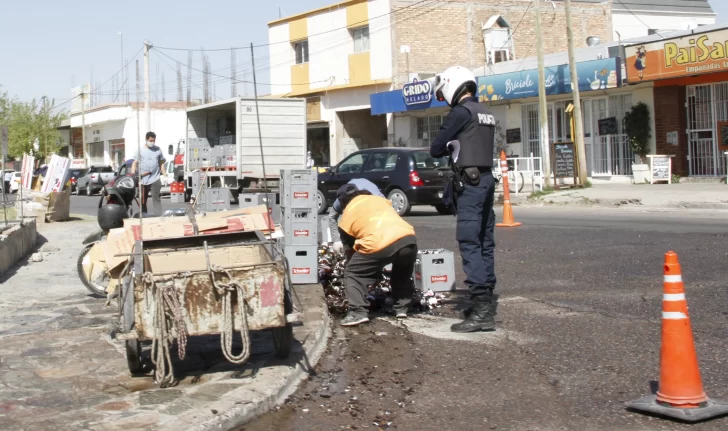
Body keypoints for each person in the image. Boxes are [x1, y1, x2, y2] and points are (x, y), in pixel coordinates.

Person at [430, 65, 497, 333]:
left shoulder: (460, 112)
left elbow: (436, 148)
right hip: (487, 181)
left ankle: (481, 311)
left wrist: (448, 145)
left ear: (451, 86)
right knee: (485, 242)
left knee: (469, 242)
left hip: (470, 185)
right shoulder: (485, 112)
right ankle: (486, 303)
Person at [336, 183, 418, 327]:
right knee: (402, 271)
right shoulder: (379, 200)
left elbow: (352, 254)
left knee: (353, 272)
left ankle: (357, 312)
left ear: (343, 202)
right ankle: (401, 308)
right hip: (408, 239)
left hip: (378, 243)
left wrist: (368, 272)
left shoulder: (346, 217)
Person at [328, 178, 385, 254]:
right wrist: (336, 240)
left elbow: (388, 215)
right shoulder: (341, 199)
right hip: (353, 190)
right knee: (345, 229)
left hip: (374, 211)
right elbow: (332, 217)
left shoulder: (376, 198)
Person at [131, 131, 166, 215]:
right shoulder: (140, 150)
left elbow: (161, 163)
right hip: (143, 179)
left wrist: (165, 175)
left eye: (154, 141)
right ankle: (143, 215)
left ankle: (158, 215)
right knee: (143, 199)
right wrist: (133, 175)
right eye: (150, 141)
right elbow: (134, 163)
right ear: (146, 140)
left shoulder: (158, 149)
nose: (152, 142)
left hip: (155, 178)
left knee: (156, 197)